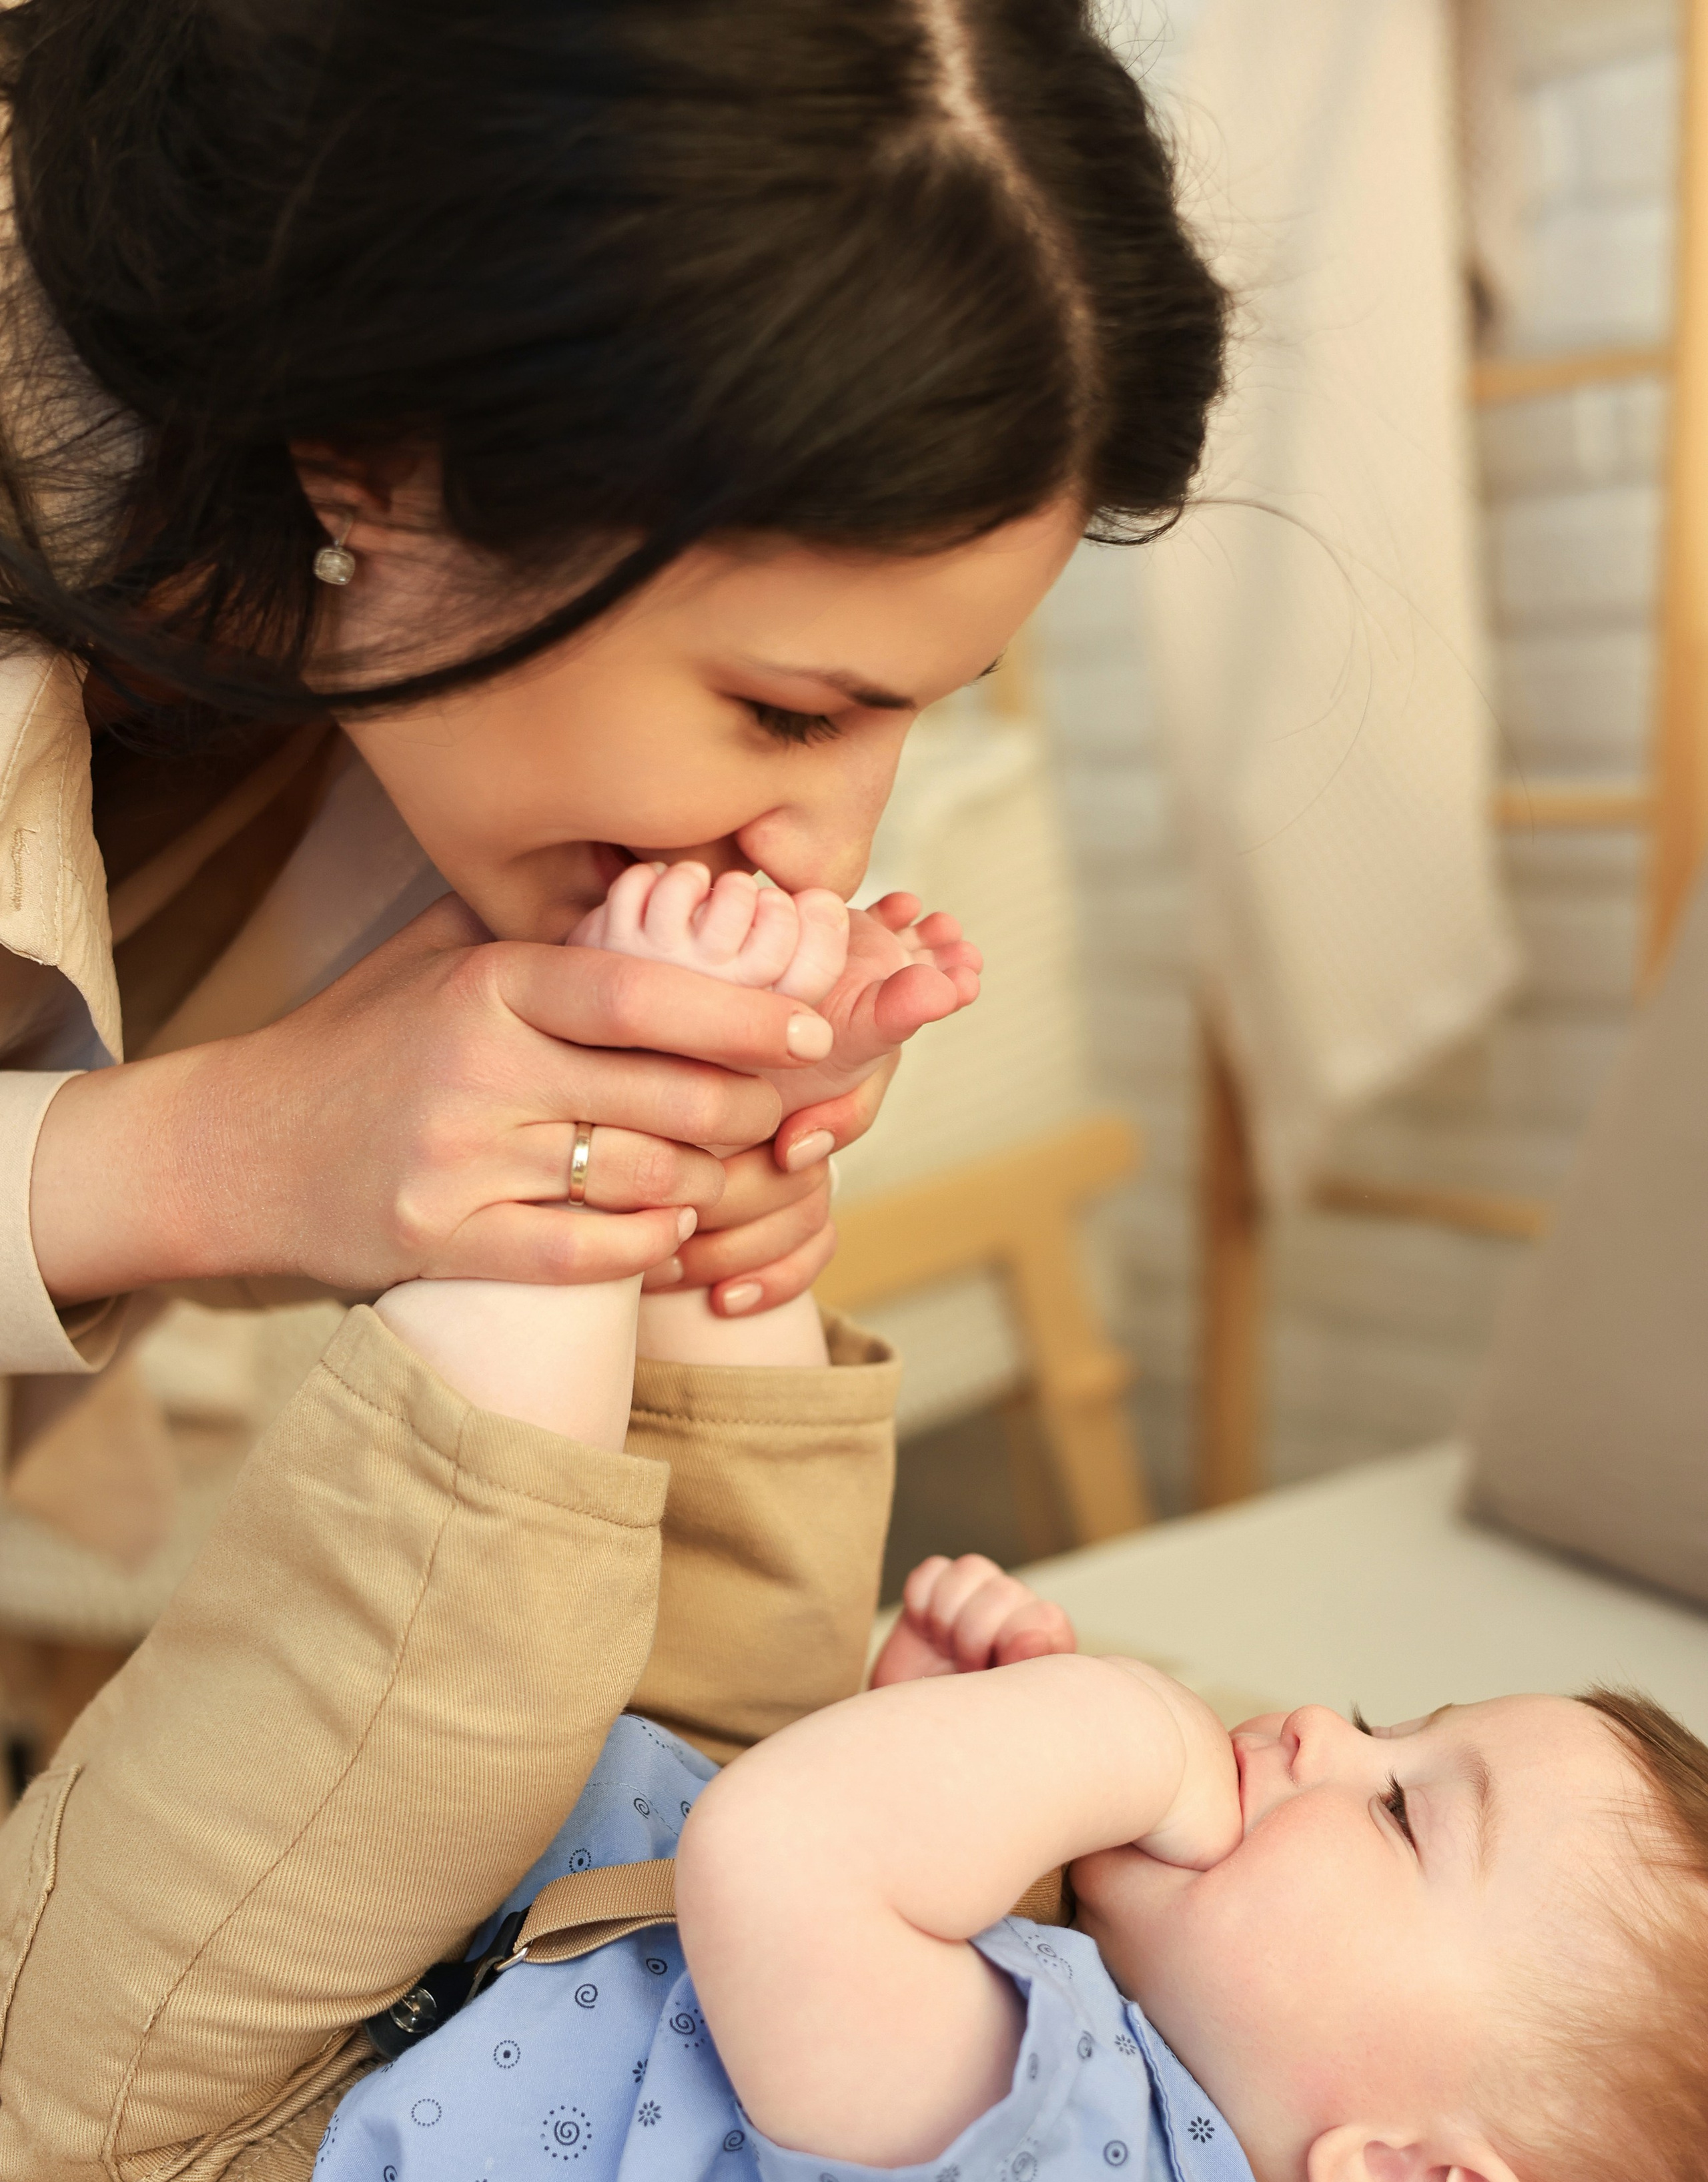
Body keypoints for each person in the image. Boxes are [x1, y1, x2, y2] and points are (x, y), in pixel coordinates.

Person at [5, 861, 1707, 2182]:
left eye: (1404, 1813)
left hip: (210, 2152)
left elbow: (780, 1864)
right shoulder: (1112, 2061)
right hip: (511, 1970)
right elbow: (793, 1856)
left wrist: (1102, 1735)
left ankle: (579, 1169)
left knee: (478, 1661)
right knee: (774, 1619)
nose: (1328, 1736)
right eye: (1394, 1727)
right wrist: (925, 1741)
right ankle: (706, 1173)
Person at [0, 0, 1226, 1437]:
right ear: (378, 469)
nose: (821, 862)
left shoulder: (410, 689)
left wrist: (542, 1136)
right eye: (781, 714)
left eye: (913, 719)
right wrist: (226, 1149)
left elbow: (186, 1160)